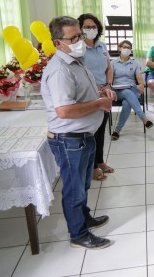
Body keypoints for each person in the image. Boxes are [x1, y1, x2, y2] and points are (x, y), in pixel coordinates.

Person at [41, 16, 114, 249]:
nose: (79, 41)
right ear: (57, 43)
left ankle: (85, 218)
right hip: (69, 139)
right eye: (72, 38)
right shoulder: (60, 69)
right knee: (74, 189)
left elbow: (85, 91)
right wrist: (100, 104)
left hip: (84, 136)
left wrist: (102, 91)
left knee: (83, 185)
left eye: (79, 36)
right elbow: (64, 110)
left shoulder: (76, 60)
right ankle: (79, 234)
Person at [78, 13, 114, 181]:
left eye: (93, 27)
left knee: (101, 131)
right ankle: (91, 167)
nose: (91, 29)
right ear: (80, 29)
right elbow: (79, 74)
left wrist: (108, 85)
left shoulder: (102, 46)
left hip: (104, 92)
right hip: (89, 95)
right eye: (87, 27)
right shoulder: (78, 48)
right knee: (90, 133)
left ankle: (100, 161)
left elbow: (108, 68)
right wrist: (97, 89)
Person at [110, 40, 154, 140]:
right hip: (118, 91)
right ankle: (144, 118)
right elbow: (109, 79)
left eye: (129, 48)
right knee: (126, 92)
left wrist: (142, 84)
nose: (127, 49)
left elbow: (139, 77)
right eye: (124, 47)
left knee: (127, 103)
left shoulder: (134, 63)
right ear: (119, 48)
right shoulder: (113, 63)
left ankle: (117, 130)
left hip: (132, 89)